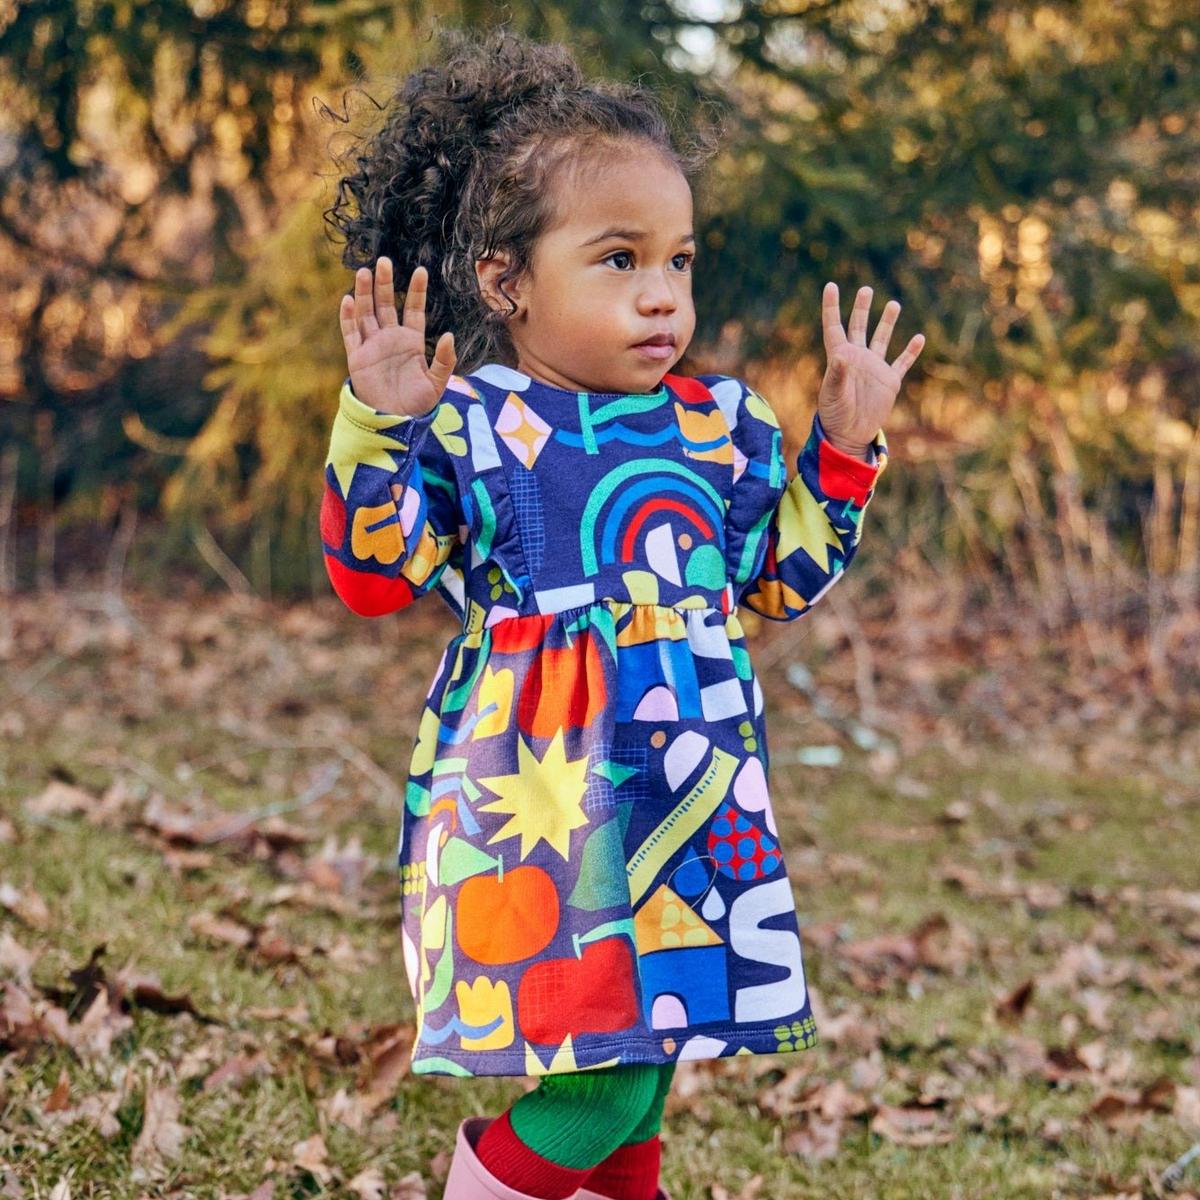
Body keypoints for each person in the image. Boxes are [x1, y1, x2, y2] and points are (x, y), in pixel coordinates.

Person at [319, 25, 924, 1200]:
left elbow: (778, 579)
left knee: (646, 1075)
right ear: (507, 282)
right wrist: (379, 425)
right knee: (602, 1083)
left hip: (689, 794)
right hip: (549, 805)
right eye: (617, 259)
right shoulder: (479, 425)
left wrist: (843, 450)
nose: (661, 294)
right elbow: (371, 576)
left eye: (678, 260)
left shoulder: (718, 427)